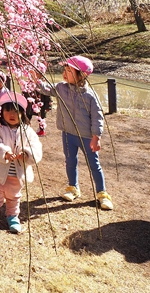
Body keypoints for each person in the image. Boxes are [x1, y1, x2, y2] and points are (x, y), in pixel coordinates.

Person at [36, 56, 113, 210]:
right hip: (68, 134)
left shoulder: (90, 96)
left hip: (87, 137)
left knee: (94, 165)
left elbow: (97, 117)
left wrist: (96, 137)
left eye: (69, 70)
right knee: (70, 161)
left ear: (82, 75)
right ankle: (73, 187)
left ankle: (102, 194)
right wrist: (35, 79)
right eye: (65, 70)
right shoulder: (61, 88)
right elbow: (45, 88)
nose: (65, 73)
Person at [0, 92, 43, 238]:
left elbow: (36, 148)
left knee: (14, 197)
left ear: (22, 113)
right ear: (1, 112)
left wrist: (27, 154)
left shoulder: (28, 131)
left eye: (16, 111)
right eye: (7, 110)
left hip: (17, 173)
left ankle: (12, 217)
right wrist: (5, 152)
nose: (11, 114)